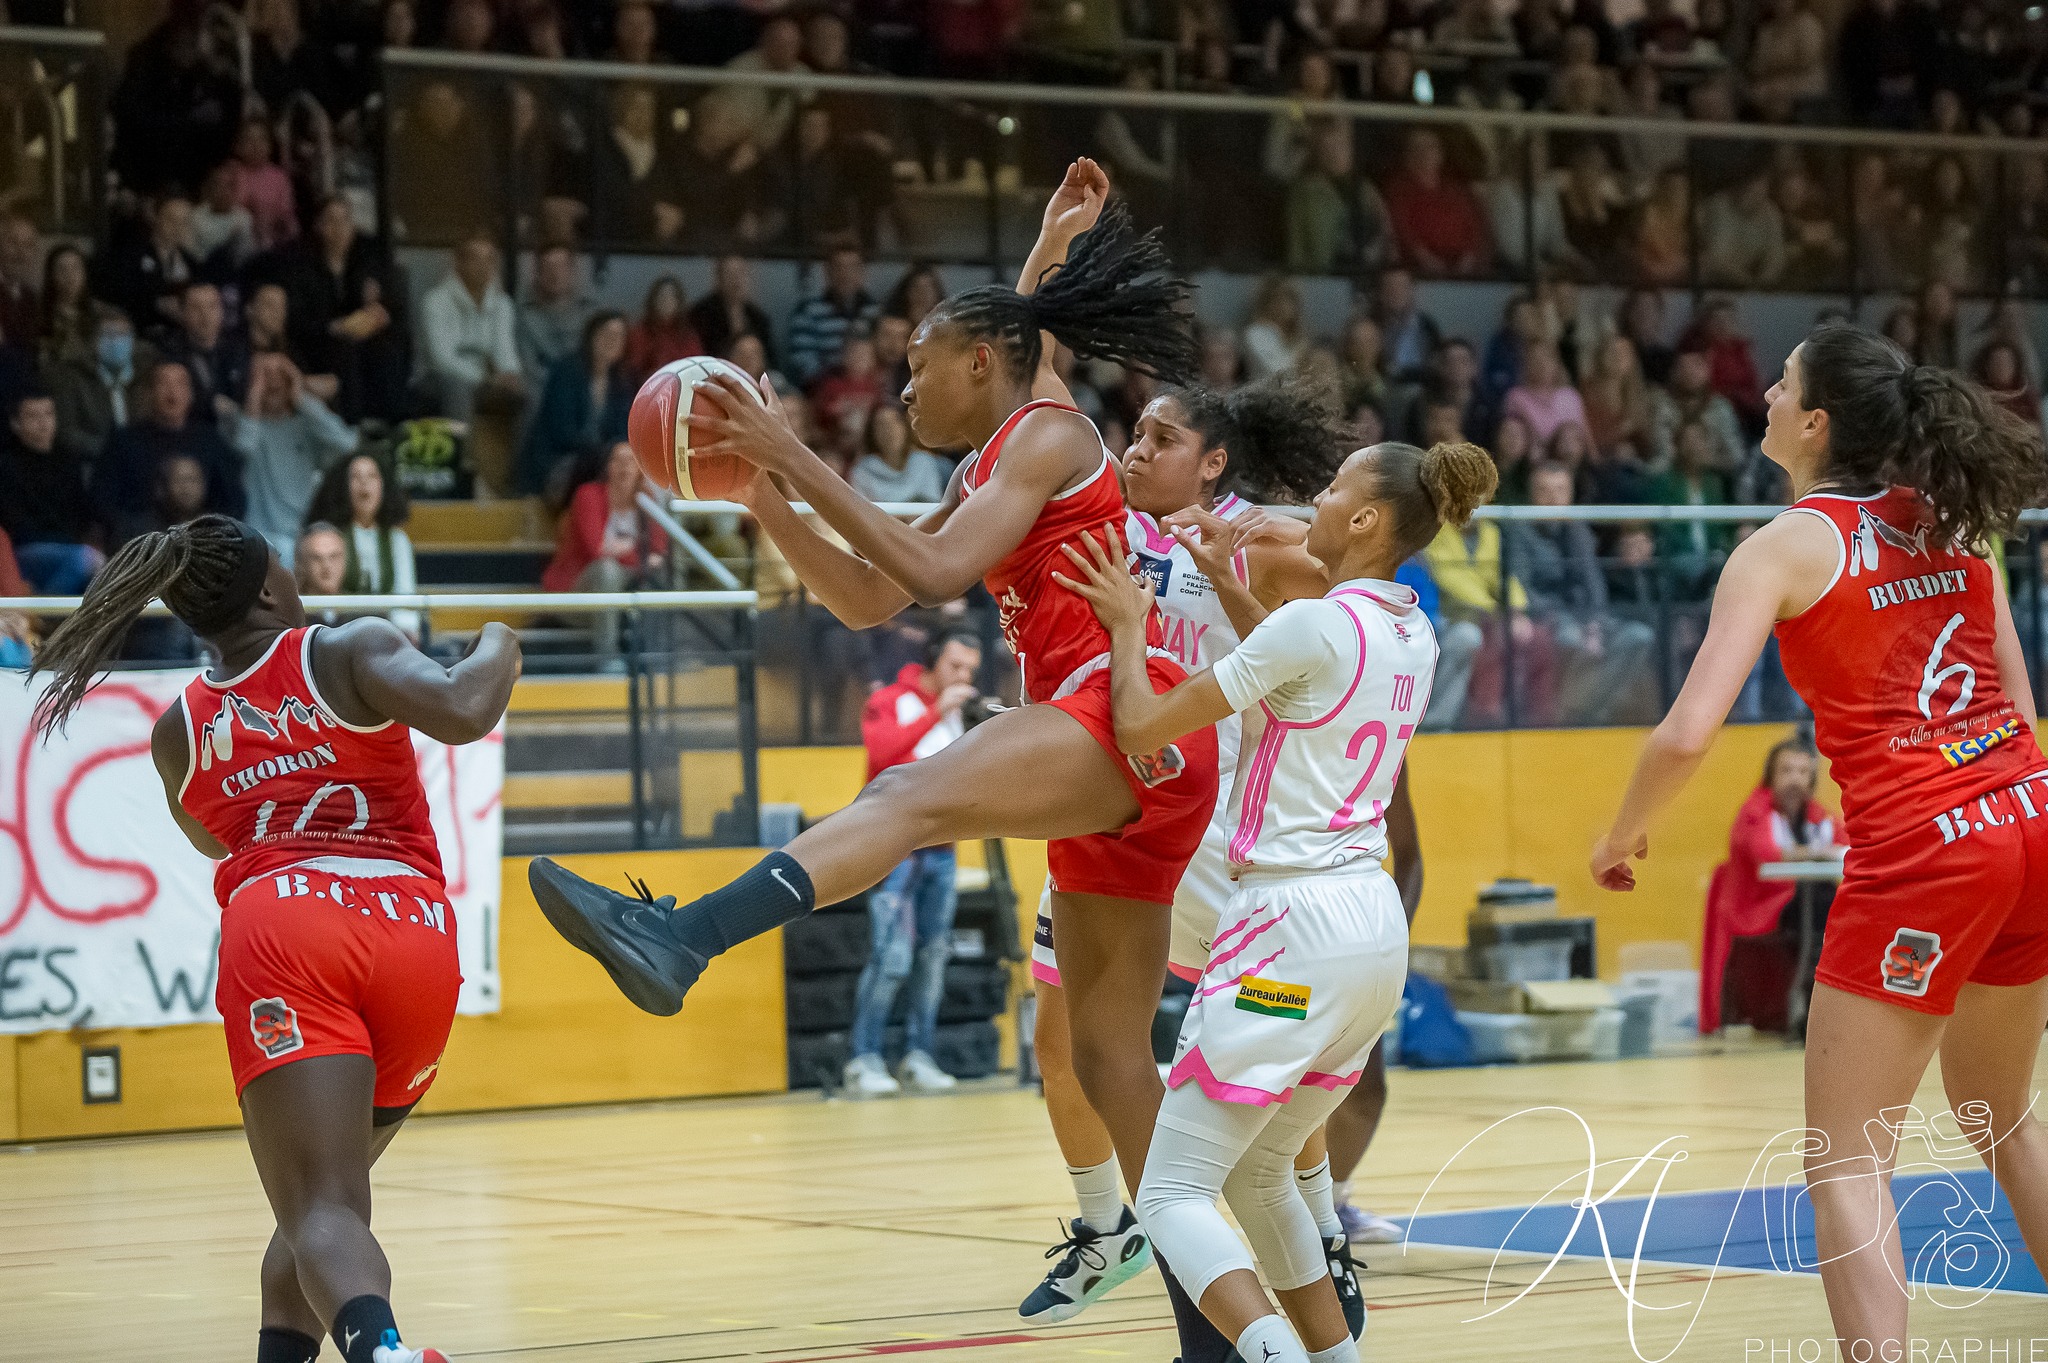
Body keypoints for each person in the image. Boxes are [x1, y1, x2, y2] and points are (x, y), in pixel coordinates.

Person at [524, 163, 1244, 1363]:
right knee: (1115, 1060)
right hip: (1144, 749)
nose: (900, 377)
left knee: (905, 796)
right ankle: (1211, 1334)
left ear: (976, 368)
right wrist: (764, 495)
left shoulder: (1050, 432)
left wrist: (793, 449)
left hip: (1121, 713)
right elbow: (868, 594)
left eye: (916, 358)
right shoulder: (1008, 444)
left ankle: (684, 933)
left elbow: (936, 571)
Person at [1591, 324, 2048, 1359]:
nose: (1762, 395)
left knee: (1845, 1160)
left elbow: (1687, 731)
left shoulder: (1782, 547)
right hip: (2028, 815)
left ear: (1814, 421)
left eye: (1781, 381)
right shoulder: (1953, 519)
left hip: (1925, 847)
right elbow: (2016, 702)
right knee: (1999, 1116)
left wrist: (1619, 834)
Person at [29, 514, 520, 1363]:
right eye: (285, 564)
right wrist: (502, 639)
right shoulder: (348, 648)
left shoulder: (179, 728)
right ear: (266, 588)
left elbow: (215, 839)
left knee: (320, 1210)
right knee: (306, 1229)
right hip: (415, 935)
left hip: (289, 930)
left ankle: (385, 1355)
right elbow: (466, 705)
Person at [1052, 438, 1495, 1363]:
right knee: (1263, 1178)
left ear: (1367, 520)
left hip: (1287, 928)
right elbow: (1299, 677)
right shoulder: (1412, 628)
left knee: (1172, 1193)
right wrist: (1225, 583)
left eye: (1336, 491)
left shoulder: (1315, 627)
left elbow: (1139, 726)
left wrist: (1130, 625)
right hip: (1370, 934)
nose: (1318, 504)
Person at [1015, 372, 1391, 1332]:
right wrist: (1052, 253)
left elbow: (1357, 593)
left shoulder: (1259, 535)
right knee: (1060, 1045)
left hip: (1221, 839)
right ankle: (1108, 1225)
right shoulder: (1098, 513)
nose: (1135, 450)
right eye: (1132, 434)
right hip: (1108, 817)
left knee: (1265, 1076)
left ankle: (1318, 1230)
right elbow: (1029, 386)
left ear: (1213, 462)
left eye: (1161, 436)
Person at [844, 630, 985, 1097]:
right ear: (931, 661)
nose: (963, 677)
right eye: (955, 666)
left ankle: (917, 1055)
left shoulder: (957, 715)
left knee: (931, 960)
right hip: (895, 856)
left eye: (969, 670)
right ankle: (863, 1060)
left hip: (942, 854)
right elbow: (884, 757)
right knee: (891, 958)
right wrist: (937, 711)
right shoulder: (891, 700)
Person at [1700, 737, 1847, 1034]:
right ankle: (1812, 1006)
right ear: (1771, 776)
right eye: (1787, 771)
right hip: (1759, 905)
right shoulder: (1754, 812)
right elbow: (1766, 853)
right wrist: (1818, 852)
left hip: (1795, 900)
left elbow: (1844, 842)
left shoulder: (1814, 813)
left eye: (1802, 772)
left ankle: (1823, 1003)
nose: (1795, 780)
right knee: (1823, 906)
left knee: (1832, 901)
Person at [91, 360, 246, 548]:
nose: (172, 392)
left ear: (191, 394)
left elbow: (233, 500)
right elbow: (103, 499)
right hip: (140, 541)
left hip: (201, 540)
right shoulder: (124, 441)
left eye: (180, 384)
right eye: (163, 383)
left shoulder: (210, 441)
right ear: (150, 392)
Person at [228, 353, 359, 564]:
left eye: (280, 373)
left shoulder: (305, 426)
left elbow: (347, 444)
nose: (272, 381)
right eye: (264, 375)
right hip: (255, 539)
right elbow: (243, 449)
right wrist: (253, 394)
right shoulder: (240, 422)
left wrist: (301, 396)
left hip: (302, 538)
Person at [540, 441, 670, 655]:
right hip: (578, 593)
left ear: (640, 469)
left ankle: (657, 656)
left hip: (624, 589)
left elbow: (659, 551)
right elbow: (596, 551)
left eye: (631, 461)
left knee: (662, 575)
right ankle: (607, 657)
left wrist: (623, 550)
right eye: (617, 460)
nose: (624, 467)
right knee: (606, 570)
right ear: (607, 467)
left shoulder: (647, 499)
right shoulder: (588, 496)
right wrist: (640, 556)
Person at [307, 451, 419, 639]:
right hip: (339, 633)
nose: (364, 483)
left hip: (386, 635)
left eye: (372, 476)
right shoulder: (329, 538)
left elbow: (405, 596)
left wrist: (406, 633)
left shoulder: (397, 540)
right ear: (343, 486)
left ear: (383, 486)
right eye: (356, 477)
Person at [520, 312, 633, 496]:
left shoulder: (621, 383)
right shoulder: (567, 371)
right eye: (606, 333)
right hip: (557, 462)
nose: (612, 340)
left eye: (619, 336)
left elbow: (622, 432)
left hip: (599, 463)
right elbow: (562, 431)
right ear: (591, 336)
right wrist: (603, 453)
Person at [0, 389, 101, 593]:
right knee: (85, 560)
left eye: (48, 414)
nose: (43, 423)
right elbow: (13, 522)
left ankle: (45, 613)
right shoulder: (5, 465)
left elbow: (83, 512)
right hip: (24, 550)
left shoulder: (68, 460)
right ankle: (45, 619)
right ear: (15, 423)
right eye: (33, 416)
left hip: (68, 546)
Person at [418, 233, 524, 425]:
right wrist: (486, 378)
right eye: (476, 259)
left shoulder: (502, 303)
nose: (483, 267)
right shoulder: (435, 301)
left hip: (487, 378)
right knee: (458, 387)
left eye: (489, 260)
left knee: (527, 392)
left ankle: (521, 455)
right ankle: (463, 453)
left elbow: (504, 347)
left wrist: (509, 373)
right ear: (460, 264)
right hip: (437, 378)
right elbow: (442, 359)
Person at [788, 244, 880, 386]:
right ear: (827, 272)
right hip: (822, 389)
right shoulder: (808, 311)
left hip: (870, 387)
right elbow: (803, 361)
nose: (845, 274)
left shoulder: (876, 311)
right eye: (839, 268)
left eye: (852, 268)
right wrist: (837, 383)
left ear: (863, 273)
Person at [516, 244, 593, 385]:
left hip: (584, 390)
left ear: (572, 271)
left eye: (561, 267)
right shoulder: (524, 315)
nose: (555, 274)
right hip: (541, 390)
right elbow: (528, 366)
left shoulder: (590, 313)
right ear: (538, 273)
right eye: (548, 267)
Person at [848, 404, 949, 504]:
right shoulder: (862, 471)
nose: (889, 429)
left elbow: (933, 506)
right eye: (881, 424)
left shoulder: (924, 462)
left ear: (905, 426)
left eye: (895, 421)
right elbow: (861, 513)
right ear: (872, 433)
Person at [624, 275, 702, 381]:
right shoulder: (640, 333)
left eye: (672, 297)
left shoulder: (687, 336)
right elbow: (632, 370)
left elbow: (697, 370)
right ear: (653, 300)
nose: (667, 301)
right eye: (662, 296)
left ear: (679, 302)